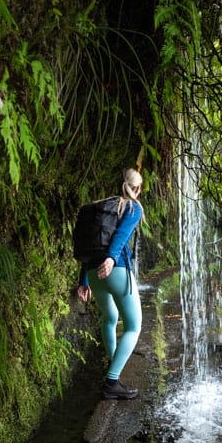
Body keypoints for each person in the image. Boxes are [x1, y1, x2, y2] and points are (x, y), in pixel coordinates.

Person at [77, 168, 144, 400]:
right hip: (115, 270)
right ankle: (112, 382)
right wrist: (112, 258)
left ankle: (112, 370)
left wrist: (83, 279)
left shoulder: (101, 207)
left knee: (110, 318)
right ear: (136, 188)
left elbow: (90, 244)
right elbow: (122, 236)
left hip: (95, 274)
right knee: (134, 326)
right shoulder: (133, 207)